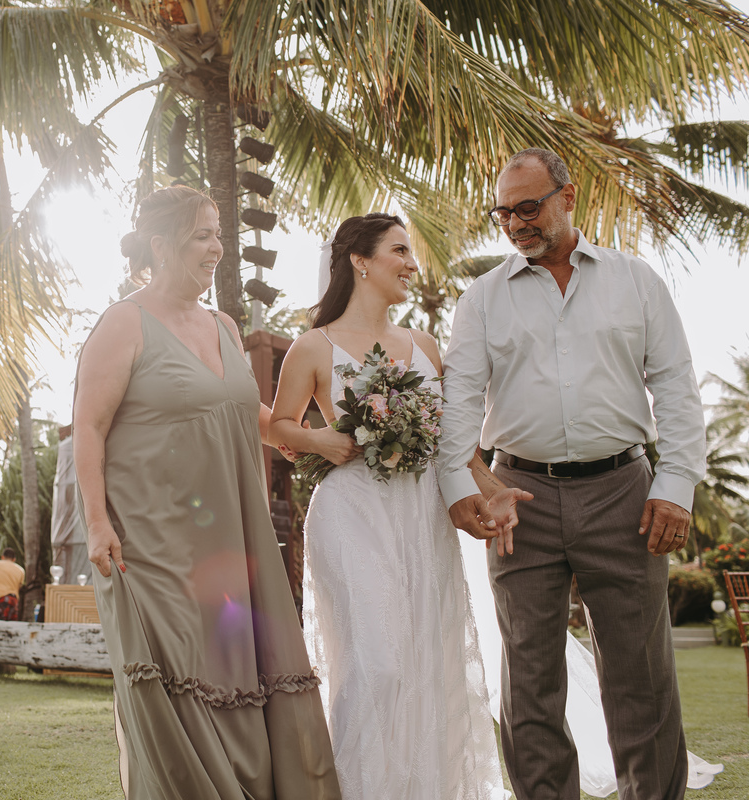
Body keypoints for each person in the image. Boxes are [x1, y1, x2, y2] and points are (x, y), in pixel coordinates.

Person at [438, 148, 706, 800]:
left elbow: (676, 387)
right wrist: (460, 488)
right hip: (518, 497)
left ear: (568, 196)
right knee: (529, 679)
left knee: (642, 678)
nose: (515, 223)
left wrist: (675, 487)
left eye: (528, 208)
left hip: (625, 494)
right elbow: (459, 404)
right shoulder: (482, 299)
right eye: (504, 213)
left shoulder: (636, 281)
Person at [73, 185, 340, 799]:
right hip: (149, 543)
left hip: (230, 539)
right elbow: (88, 426)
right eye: (202, 235)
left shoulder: (223, 325)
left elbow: (247, 411)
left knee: (237, 671)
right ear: (161, 244)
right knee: (178, 679)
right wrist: (96, 520)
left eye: (219, 234)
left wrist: (313, 440)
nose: (218, 247)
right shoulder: (123, 323)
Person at [269, 213, 522, 800]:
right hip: (350, 513)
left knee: (427, 663)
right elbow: (279, 423)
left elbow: (453, 443)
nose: (412, 264)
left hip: (422, 515)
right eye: (400, 250)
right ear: (360, 260)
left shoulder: (425, 346)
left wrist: (491, 488)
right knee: (375, 665)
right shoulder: (314, 346)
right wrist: (321, 440)